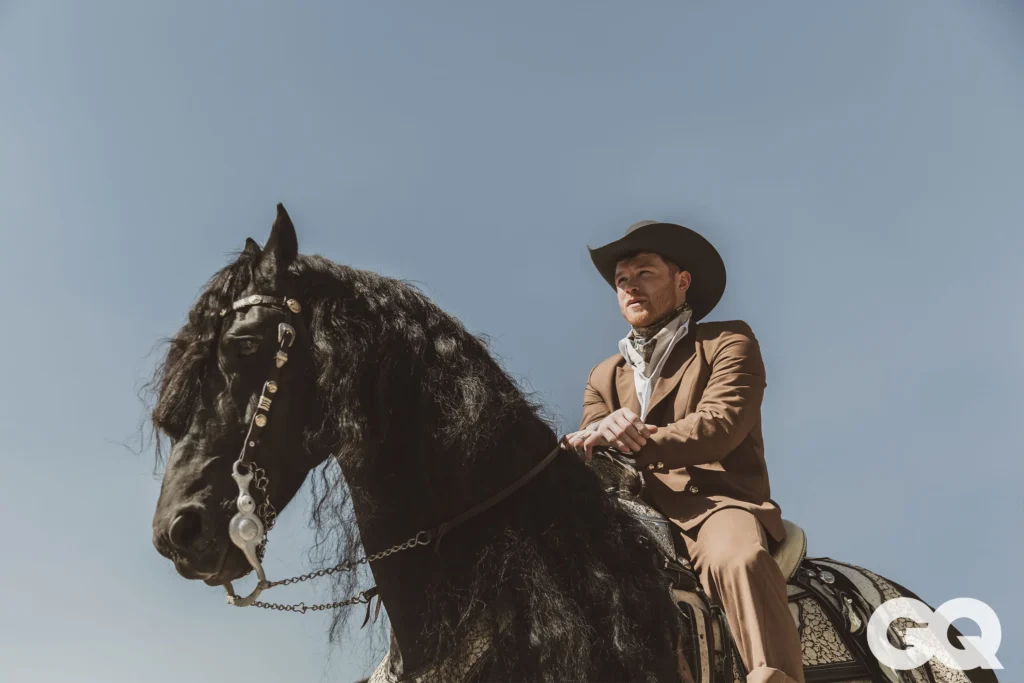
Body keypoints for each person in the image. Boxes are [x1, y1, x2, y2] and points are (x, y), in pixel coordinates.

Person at [562, 220, 805, 683]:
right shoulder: (603, 375)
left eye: (645, 274)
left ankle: (773, 675)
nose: (631, 287)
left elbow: (720, 425)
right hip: (624, 514)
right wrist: (577, 442)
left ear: (682, 281)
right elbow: (588, 451)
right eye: (621, 281)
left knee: (740, 559)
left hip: (710, 504)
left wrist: (630, 440)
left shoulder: (728, 342)